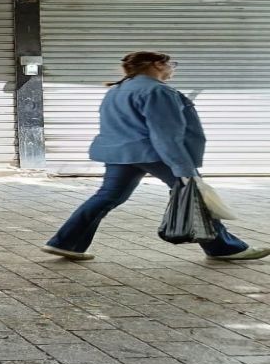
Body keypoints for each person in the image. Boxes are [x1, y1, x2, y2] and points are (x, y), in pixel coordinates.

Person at [43, 51, 269, 261]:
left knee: (107, 197)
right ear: (157, 64)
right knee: (193, 193)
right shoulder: (158, 91)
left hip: (121, 153)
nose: (173, 69)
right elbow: (167, 133)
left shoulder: (118, 89)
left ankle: (66, 243)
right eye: (172, 64)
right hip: (154, 152)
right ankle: (224, 248)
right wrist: (184, 168)